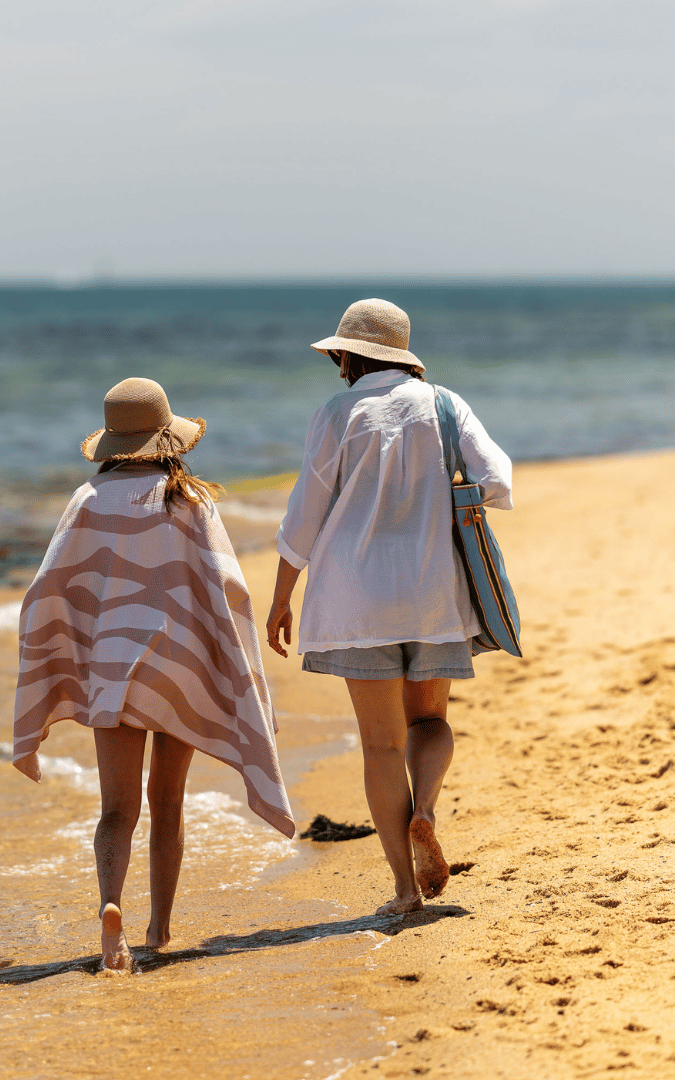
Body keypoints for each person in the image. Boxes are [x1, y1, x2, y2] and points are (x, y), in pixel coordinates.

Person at [14, 377, 295, 971]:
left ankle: (110, 911)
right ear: (170, 439)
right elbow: (227, 588)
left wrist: (63, 658)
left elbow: (52, 587)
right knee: (167, 801)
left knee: (116, 809)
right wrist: (228, 657)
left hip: (114, 672)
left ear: (113, 442)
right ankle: (160, 929)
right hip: (178, 667)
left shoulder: (86, 501)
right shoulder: (192, 502)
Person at [265, 299, 513, 917]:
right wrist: (434, 495)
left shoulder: (336, 414)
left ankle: (404, 892)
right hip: (433, 591)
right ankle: (425, 811)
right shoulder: (444, 405)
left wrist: (280, 598)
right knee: (428, 722)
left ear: (349, 356)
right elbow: (498, 479)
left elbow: (306, 512)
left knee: (379, 745)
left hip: (354, 599)